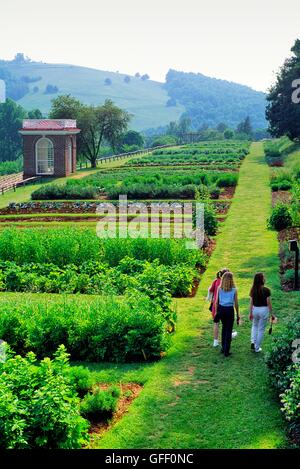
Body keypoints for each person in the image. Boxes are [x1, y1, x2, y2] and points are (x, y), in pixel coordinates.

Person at [215, 272, 239, 357]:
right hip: (229, 310)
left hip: (221, 309)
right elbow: (236, 303)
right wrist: (238, 314)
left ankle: (223, 348)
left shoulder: (219, 289)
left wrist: (217, 312)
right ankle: (226, 350)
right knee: (229, 329)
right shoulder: (234, 290)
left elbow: (216, 302)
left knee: (224, 328)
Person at [249, 272, 274, 353]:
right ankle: (257, 348)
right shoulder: (266, 290)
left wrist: (250, 313)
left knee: (254, 326)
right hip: (263, 310)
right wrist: (271, 314)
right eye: (264, 277)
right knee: (261, 329)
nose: (265, 278)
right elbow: (269, 303)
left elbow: (251, 302)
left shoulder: (253, 289)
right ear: (262, 280)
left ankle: (253, 341)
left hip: (255, 310)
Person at [208, 268, 229, 347]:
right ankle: (227, 336)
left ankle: (215, 341)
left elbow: (210, 290)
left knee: (216, 323)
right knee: (226, 323)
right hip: (224, 305)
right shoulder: (228, 283)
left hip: (215, 306)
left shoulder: (216, 281)